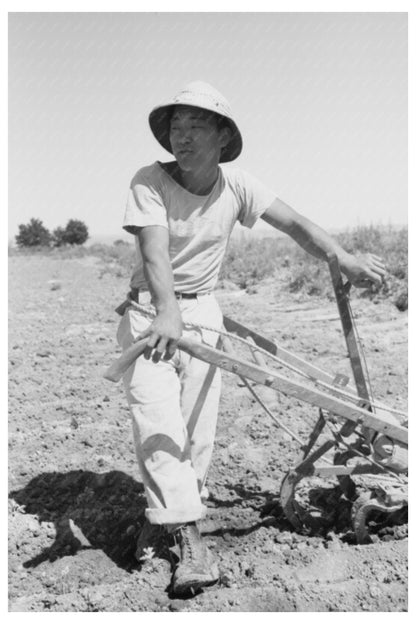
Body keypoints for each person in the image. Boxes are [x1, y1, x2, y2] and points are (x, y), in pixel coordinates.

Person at [116, 81, 386, 596]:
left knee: (196, 429)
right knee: (157, 422)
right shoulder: (149, 181)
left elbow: (298, 225)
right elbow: (154, 255)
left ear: (222, 136)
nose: (183, 137)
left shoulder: (237, 185)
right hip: (152, 314)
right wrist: (167, 313)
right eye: (176, 126)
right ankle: (191, 542)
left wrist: (341, 257)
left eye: (196, 127)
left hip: (204, 313)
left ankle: (167, 519)